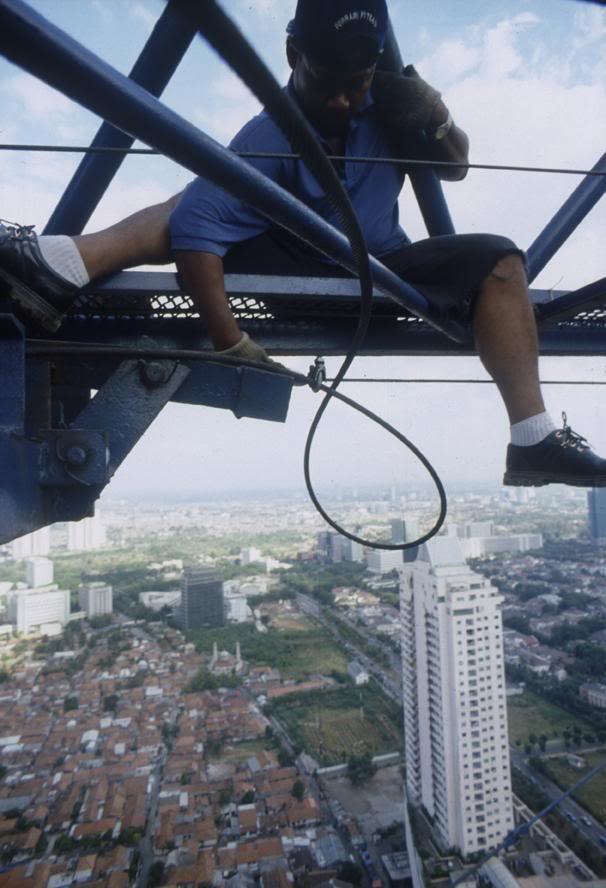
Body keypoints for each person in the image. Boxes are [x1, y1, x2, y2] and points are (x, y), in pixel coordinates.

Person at [0, 0, 604, 488]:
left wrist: (436, 117)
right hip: (291, 267)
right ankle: (60, 264)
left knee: (500, 260)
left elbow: (455, 169)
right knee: (196, 200)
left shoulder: (386, 108)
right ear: (293, 56)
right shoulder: (266, 135)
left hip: (384, 265)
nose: (346, 101)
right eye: (330, 83)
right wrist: (229, 340)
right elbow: (196, 233)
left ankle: (533, 441)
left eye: (360, 83)